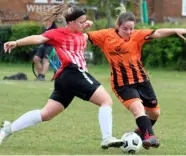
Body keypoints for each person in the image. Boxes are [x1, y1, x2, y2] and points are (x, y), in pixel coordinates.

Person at [1, 4, 124, 149]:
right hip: (73, 72)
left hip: (64, 79)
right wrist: (16, 42)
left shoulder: (79, 29)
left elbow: (85, 23)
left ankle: (7, 129)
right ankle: (107, 138)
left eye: (84, 21)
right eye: (80, 22)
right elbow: (39, 38)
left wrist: (85, 23)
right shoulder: (57, 33)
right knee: (106, 101)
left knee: (46, 114)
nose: (83, 24)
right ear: (70, 22)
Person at [86, 10, 186, 150]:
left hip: (142, 81)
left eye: (131, 28)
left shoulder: (137, 35)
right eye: (125, 28)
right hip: (122, 84)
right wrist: (79, 29)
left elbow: (157, 33)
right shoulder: (105, 35)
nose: (128, 31)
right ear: (118, 26)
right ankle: (149, 136)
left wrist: (176, 29)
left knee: (154, 113)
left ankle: (139, 133)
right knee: (138, 108)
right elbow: (85, 36)